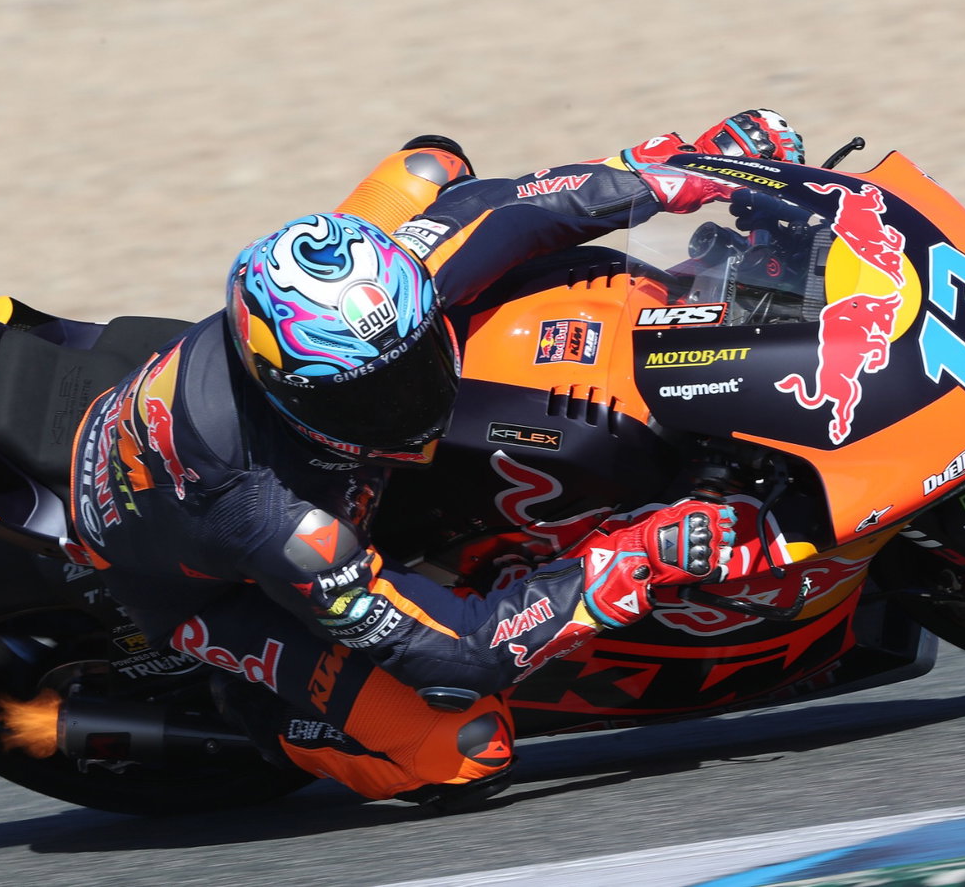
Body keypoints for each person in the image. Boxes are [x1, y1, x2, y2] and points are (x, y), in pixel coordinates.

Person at [67, 111, 806, 811]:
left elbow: (528, 204)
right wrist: (638, 554)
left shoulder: (394, 284)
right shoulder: (277, 520)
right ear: (290, 392)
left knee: (435, 168)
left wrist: (697, 167)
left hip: (238, 419)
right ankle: (268, 719)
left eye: (415, 362)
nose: (410, 405)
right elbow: (459, 655)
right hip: (200, 583)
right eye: (372, 398)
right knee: (464, 748)